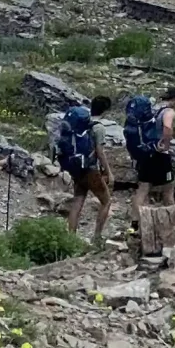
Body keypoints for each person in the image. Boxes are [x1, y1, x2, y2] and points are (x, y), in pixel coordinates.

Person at [56, 93, 115, 248]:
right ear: (105, 111)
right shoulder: (99, 127)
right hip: (90, 169)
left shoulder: (82, 124)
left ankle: (71, 237)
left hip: (77, 168)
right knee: (106, 201)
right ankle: (97, 237)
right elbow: (100, 151)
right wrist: (109, 172)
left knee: (78, 201)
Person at [127, 84, 175, 222]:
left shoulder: (153, 109)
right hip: (160, 154)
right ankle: (173, 224)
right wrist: (166, 144)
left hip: (147, 152)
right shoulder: (169, 111)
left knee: (143, 189)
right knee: (169, 189)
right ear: (174, 99)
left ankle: (134, 225)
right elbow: (168, 127)